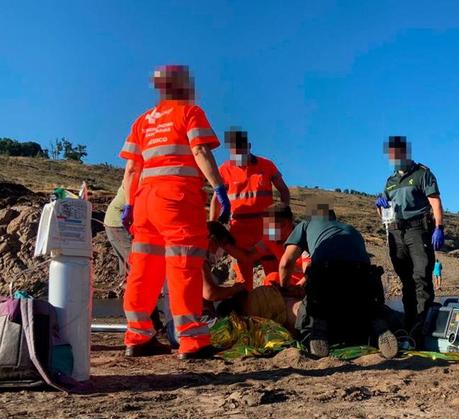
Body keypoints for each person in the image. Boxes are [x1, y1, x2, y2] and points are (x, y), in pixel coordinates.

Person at [119, 64, 231, 360]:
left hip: (145, 201)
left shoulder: (142, 121)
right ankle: (192, 341)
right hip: (177, 198)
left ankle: (137, 337)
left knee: (143, 268)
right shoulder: (189, 112)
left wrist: (129, 203)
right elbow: (200, 151)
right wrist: (219, 188)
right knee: (183, 267)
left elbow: (132, 168)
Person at [279, 199, 398, 359]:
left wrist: (284, 287)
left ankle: (318, 328)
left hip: (328, 276)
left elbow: (286, 263)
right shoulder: (351, 229)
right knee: (368, 307)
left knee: (312, 308)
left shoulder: (306, 225)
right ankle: (378, 324)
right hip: (365, 280)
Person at [375, 135, 444, 342]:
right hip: (396, 232)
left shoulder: (423, 174)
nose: (394, 157)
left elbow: (435, 203)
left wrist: (439, 227)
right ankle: (410, 324)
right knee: (406, 281)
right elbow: (383, 215)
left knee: (421, 277)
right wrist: (379, 206)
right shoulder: (390, 181)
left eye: (398, 153)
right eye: (391, 154)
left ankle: (424, 326)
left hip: (418, 229)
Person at [210, 128, 290, 291]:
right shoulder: (224, 169)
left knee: (273, 272)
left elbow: (283, 190)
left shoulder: (266, 165)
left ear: (249, 146)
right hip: (239, 229)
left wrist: (283, 218)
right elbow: (216, 200)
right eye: (234, 152)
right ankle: (245, 305)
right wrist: (213, 226)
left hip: (266, 228)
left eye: (241, 150)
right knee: (243, 276)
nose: (238, 155)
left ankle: (278, 301)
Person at [104, 184, 163, 333]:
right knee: (141, 271)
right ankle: (145, 323)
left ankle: (147, 322)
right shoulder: (142, 169)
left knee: (139, 273)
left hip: (132, 222)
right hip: (120, 223)